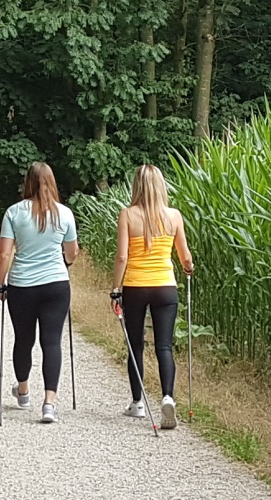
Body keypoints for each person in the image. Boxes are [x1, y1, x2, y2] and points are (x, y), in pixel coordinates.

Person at [110, 164, 194, 430]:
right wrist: (188, 267)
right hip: (165, 286)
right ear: (161, 186)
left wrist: (116, 288)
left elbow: (122, 256)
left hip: (136, 286)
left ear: (137, 186)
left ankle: (137, 403)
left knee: (135, 346)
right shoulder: (174, 216)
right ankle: (168, 396)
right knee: (164, 347)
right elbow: (186, 257)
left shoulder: (127, 215)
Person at [0, 162, 80, 424]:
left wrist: (1, 283)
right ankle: (49, 403)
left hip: (22, 285)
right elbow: (72, 252)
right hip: (56, 284)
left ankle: (23, 391)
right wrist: (65, 263)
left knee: (24, 339)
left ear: (27, 183)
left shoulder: (14, 213)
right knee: (51, 342)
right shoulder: (64, 214)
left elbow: (5, 252)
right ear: (52, 182)